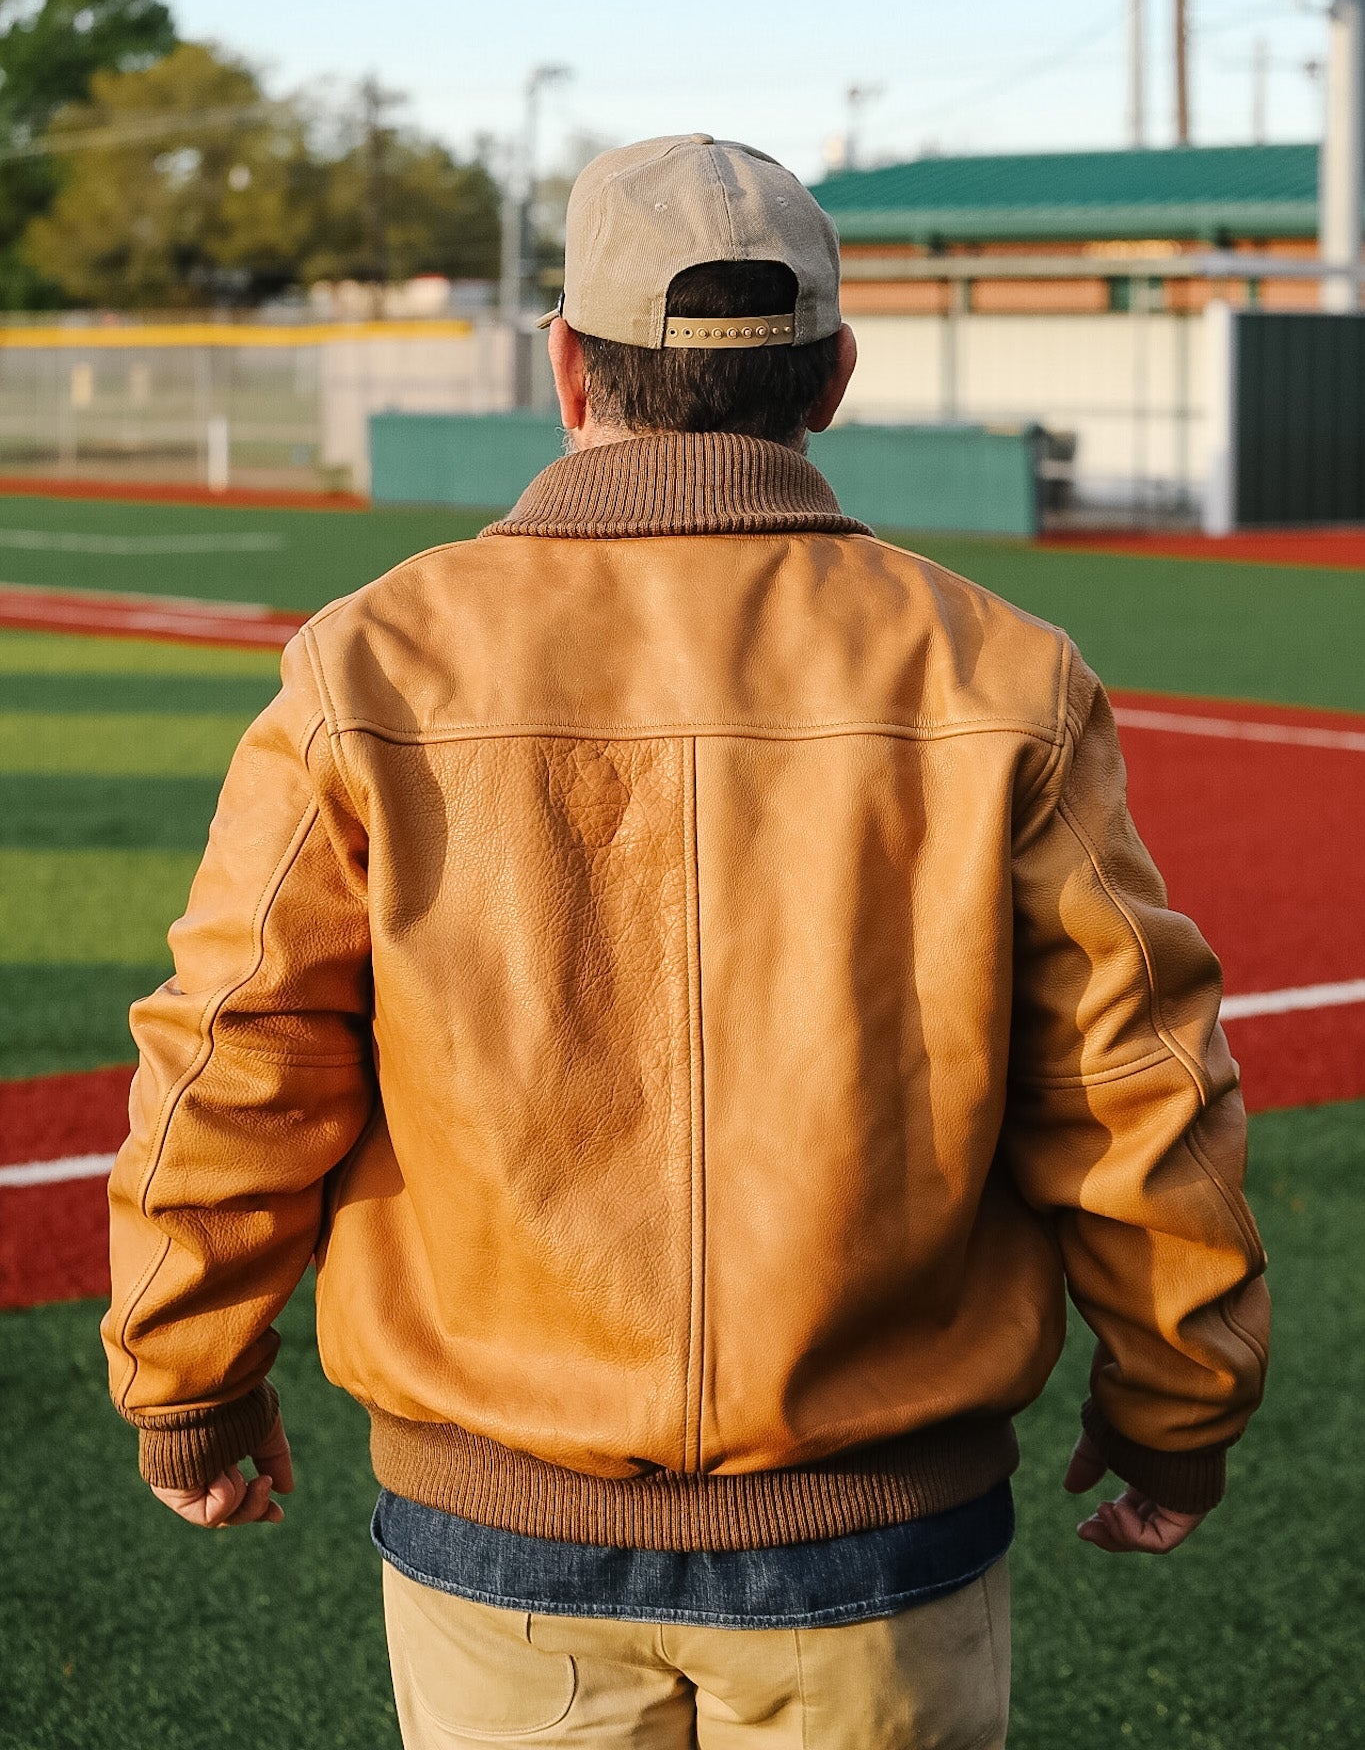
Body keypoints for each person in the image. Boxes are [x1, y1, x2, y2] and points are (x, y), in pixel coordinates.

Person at [105, 134, 1268, 1749]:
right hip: (881, 1536)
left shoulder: (370, 661)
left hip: (496, 1526)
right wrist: (1177, 1404)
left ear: (567, 368)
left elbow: (234, 1051)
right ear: (833, 377)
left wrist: (185, 1377)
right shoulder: (1000, 671)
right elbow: (1133, 1083)